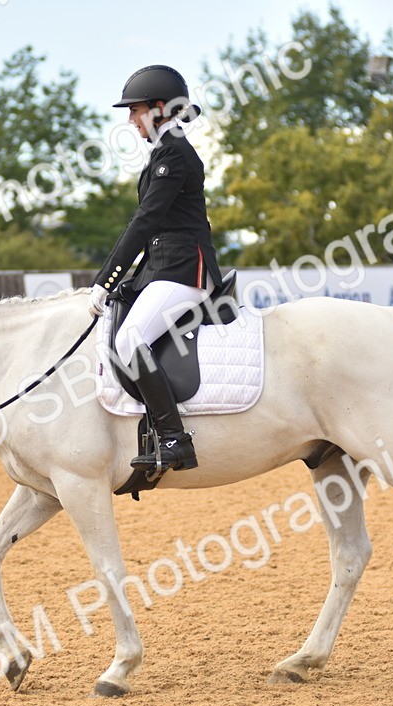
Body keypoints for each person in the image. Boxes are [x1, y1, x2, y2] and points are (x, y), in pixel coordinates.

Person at [88, 64, 224, 473]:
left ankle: (174, 439)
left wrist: (106, 279)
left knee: (131, 339)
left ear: (159, 108)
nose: (131, 120)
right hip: (166, 267)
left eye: (135, 110)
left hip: (185, 269)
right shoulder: (165, 151)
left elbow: (146, 221)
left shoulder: (174, 153)